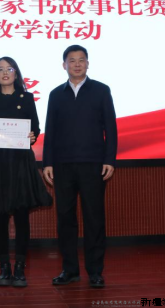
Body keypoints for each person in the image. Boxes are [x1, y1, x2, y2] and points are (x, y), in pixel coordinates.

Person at [42, 45, 118, 288]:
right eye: (72, 60)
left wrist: (109, 160)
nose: (77, 64)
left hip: (93, 164)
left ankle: (95, 271)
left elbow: (111, 128)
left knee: (94, 218)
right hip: (63, 165)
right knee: (65, 218)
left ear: (88, 63)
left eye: (81, 60)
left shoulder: (101, 90)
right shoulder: (56, 94)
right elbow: (50, 130)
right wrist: (47, 162)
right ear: (64, 65)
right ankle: (70, 270)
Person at [0, 57, 52, 288]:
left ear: (16, 73)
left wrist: (32, 136)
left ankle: (19, 267)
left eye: (9, 69)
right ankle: (4, 267)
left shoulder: (26, 98)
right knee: (0, 216)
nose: (5, 72)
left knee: (21, 215)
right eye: (0, 69)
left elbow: (35, 127)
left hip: (20, 162)